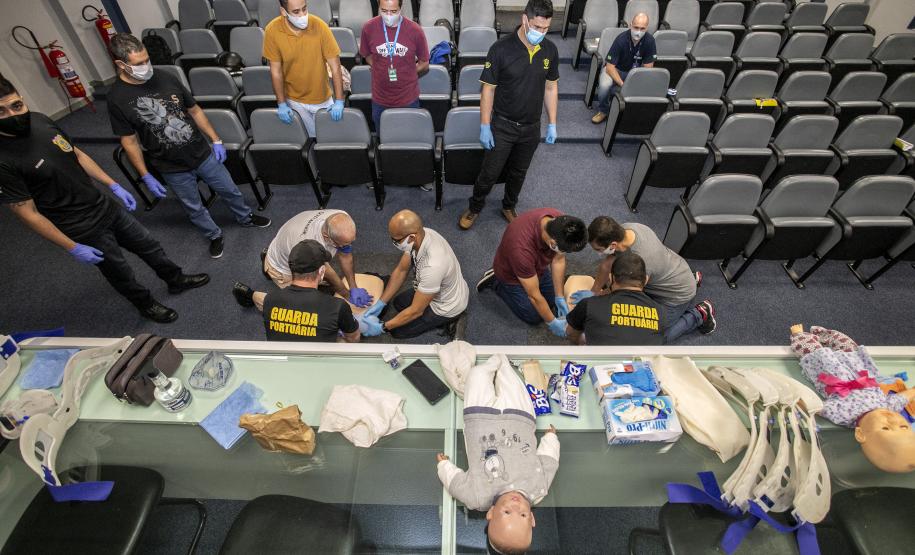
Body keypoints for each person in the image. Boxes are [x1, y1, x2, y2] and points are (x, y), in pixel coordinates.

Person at [0, 74, 208, 323]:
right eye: (1, 112)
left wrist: (113, 184)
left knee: (149, 245)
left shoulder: (41, 121)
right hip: (80, 226)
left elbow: (76, 154)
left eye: (16, 106)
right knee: (119, 270)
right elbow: (27, 213)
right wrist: (71, 246)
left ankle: (175, 279)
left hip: (104, 205)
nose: (13, 115)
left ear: (22, 99)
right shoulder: (3, 159)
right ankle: (146, 304)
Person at [106, 33, 270, 259]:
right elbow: (129, 140)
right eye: (138, 64)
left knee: (229, 190)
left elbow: (194, 110)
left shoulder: (165, 77)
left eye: (147, 60)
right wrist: (145, 175)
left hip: (201, 153)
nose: (146, 66)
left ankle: (245, 217)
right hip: (169, 164)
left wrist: (216, 139)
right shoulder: (116, 98)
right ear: (121, 65)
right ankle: (213, 235)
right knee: (193, 207)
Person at [436, 354, 559, 554]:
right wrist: (551, 439)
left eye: (507, 512)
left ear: (491, 513)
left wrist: (444, 466)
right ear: (533, 519)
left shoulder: (477, 497)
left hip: (479, 416)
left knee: (476, 376)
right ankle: (502, 362)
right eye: (522, 516)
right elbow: (549, 460)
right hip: (521, 417)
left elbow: (454, 483)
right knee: (511, 379)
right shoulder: (538, 489)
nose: (516, 506)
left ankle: (490, 365)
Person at [458, 0, 560, 230]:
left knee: (519, 172)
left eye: (546, 28)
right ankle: (475, 207)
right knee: (489, 172)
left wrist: (552, 122)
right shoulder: (500, 49)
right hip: (503, 125)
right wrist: (485, 125)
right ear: (525, 19)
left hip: (531, 127)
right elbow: (488, 89)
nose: (541, 33)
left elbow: (551, 87)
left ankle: (508, 205)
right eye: (537, 27)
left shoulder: (550, 50)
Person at [572, 216, 716, 335]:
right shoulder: (628, 229)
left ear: (613, 245)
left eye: (598, 249)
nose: (597, 252)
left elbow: (625, 291)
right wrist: (593, 291)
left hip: (675, 296)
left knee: (652, 336)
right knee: (615, 276)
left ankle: (699, 315)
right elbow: (607, 263)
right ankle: (691, 279)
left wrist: (601, 295)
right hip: (673, 269)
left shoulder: (644, 260)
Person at [476, 208, 587, 337]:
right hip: (511, 275)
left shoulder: (561, 223)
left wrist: (559, 296)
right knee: (534, 316)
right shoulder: (521, 250)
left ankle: (543, 289)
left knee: (550, 301)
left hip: (535, 266)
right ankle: (496, 282)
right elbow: (534, 296)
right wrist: (551, 322)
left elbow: (558, 260)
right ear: (552, 244)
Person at [360, 210, 469, 339]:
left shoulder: (433, 265)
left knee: (397, 332)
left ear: (411, 237)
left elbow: (416, 311)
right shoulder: (422, 236)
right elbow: (401, 270)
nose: (393, 243)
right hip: (433, 287)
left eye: (396, 240)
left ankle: (454, 319)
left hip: (446, 306)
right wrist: (381, 302)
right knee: (398, 303)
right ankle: (427, 304)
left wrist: (383, 327)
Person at [234, 209, 372, 311]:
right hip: (284, 267)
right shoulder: (310, 244)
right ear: (326, 236)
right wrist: (346, 295)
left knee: (320, 284)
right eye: (342, 245)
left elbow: (345, 254)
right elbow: (328, 273)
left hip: (284, 245)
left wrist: (353, 286)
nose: (347, 247)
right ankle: (251, 295)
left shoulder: (341, 218)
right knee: (298, 309)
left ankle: (267, 260)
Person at [565, 251, 715, 345]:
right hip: (642, 365)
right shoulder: (661, 312)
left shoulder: (589, 305)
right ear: (645, 280)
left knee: (664, 337)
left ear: (611, 279)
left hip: (604, 368)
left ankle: (697, 315)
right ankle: (693, 292)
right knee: (660, 336)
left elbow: (572, 334)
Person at [243, 240, 361, 342]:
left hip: (281, 362)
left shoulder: (270, 299)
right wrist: (351, 324)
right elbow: (354, 338)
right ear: (322, 272)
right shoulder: (338, 306)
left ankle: (249, 293)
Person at [264, 0, 346, 137]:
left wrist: (339, 100)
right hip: (294, 100)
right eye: (296, 12)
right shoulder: (272, 30)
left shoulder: (320, 26)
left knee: (330, 141)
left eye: (304, 9)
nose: (302, 15)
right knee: (308, 142)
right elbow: (275, 71)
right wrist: (281, 103)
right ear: (283, 12)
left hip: (322, 98)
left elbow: (335, 66)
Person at [359, 0, 430, 132]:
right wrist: (379, 67)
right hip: (380, 98)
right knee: (384, 141)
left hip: (408, 98)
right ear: (379, 7)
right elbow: (366, 54)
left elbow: (424, 63)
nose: (389, 15)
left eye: (393, 11)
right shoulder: (368, 28)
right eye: (384, 11)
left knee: (409, 139)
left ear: (401, 9)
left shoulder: (415, 30)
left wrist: (409, 72)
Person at [591, 12, 656, 125]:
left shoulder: (650, 41)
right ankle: (603, 111)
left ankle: (630, 114)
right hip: (615, 70)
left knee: (646, 86)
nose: (638, 31)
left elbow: (648, 69)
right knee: (604, 86)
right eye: (636, 27)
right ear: (631, 25)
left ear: (647, 28)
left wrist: (636, 82)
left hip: (635, 72)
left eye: (642, 28)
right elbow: (610, 68)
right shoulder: (621, 40)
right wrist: (623, 84)